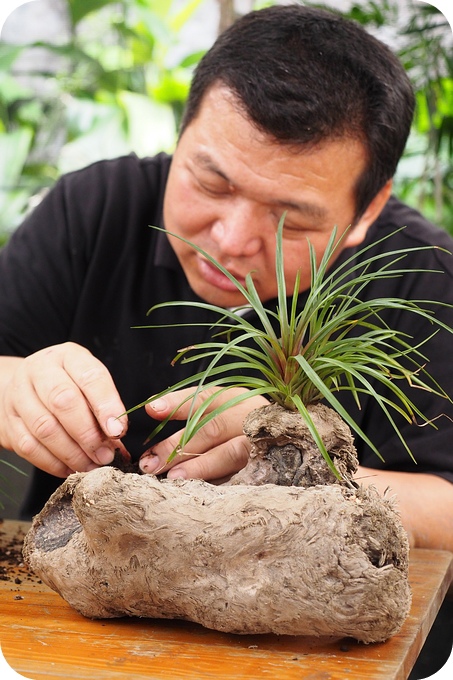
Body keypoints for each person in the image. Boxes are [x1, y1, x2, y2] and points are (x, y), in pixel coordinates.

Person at [0, 4, 453, 552]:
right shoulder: (95, 209)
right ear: (181, 133)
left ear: (368, 209)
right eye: (212, 184)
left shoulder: (423, 277)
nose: (232, 241)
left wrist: (296, 464)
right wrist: (14, 390)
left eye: (291, 218)